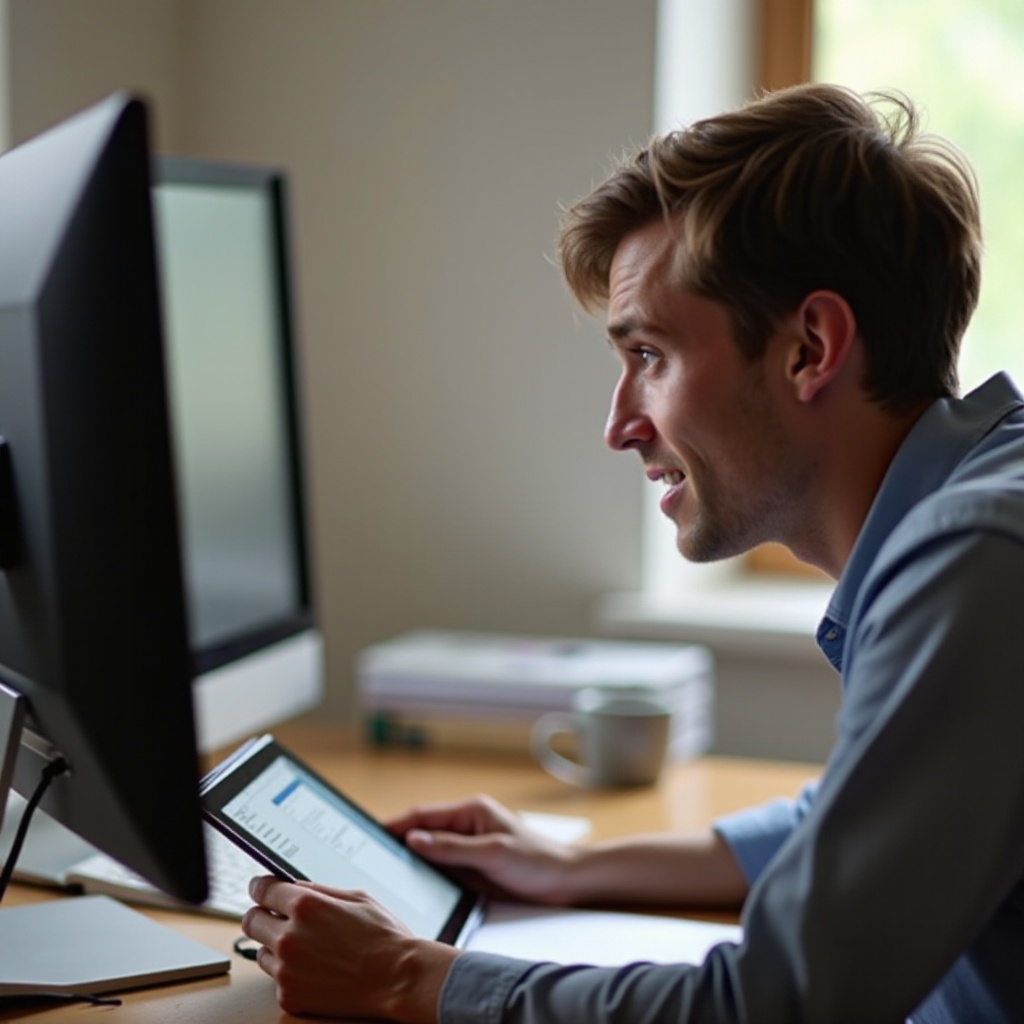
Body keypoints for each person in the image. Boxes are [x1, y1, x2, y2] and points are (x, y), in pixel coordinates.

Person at [240, 82, 1024, 1022]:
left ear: (811, 348)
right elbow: (868, 827)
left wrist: (406, 978)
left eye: (649, 355)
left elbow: (780, 1008)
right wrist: (569, 864)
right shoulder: (979, 512)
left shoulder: (971, 561)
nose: (618, 425)